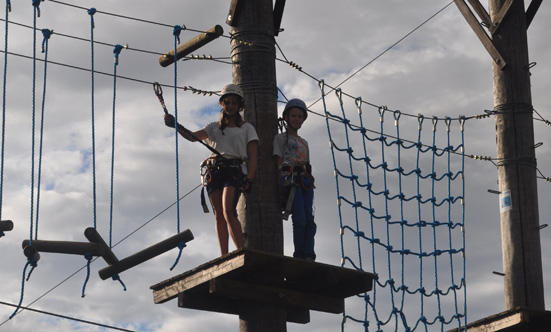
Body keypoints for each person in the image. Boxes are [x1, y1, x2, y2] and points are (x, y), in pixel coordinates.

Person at [164, 84, 258, 256]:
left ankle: (240, 252)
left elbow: (253, 156)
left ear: (239, 106)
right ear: (222, 104)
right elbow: (192, 137)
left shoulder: (246, 128)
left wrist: (250, 179)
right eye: (227, 102)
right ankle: (224, 255)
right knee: (218, 216)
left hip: (234, 170)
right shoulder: (213, 127)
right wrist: (175, 125)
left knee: (228, 210)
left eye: (234, 103)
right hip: (215, 171)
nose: (230, 106)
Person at [273, 98, 316, 261]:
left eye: (300, 116)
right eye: (294, 116)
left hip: (305, 181)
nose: (297, 119)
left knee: (310, 221)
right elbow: (278, 164)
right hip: (290, 180)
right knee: (300, 220)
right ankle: (299, 255)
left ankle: (309, 255)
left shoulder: (304, 142)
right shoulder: (280, 139)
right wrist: (278, 188)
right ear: (286, 117)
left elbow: (308, 164)